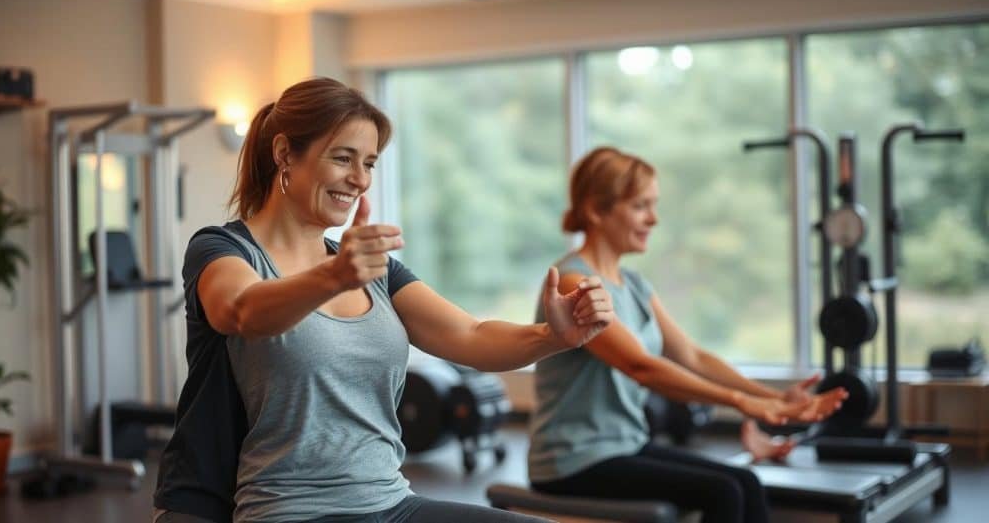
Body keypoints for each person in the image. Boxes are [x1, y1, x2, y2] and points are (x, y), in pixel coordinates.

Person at [154, 77, 615, 523]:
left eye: (369, 163)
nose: (359, 180)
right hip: (290, 508)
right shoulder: (222, 250)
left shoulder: (371, 270)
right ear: (284, 155)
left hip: (389, 501)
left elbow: (469, 335)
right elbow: (242, 310)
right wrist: (334, 275)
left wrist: (552, 335)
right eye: (343, 158)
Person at [528, 147, 848, 523]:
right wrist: (742, 403)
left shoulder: (632, 285)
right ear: (598, 211)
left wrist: (774, 398)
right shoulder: (574, 283)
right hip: (572, 459)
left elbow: (692, 356)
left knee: (745, 481)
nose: (654, 218)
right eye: (640, 206)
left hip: (625, 444)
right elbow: (641, 366)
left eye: (654, 204)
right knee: (723, 492)